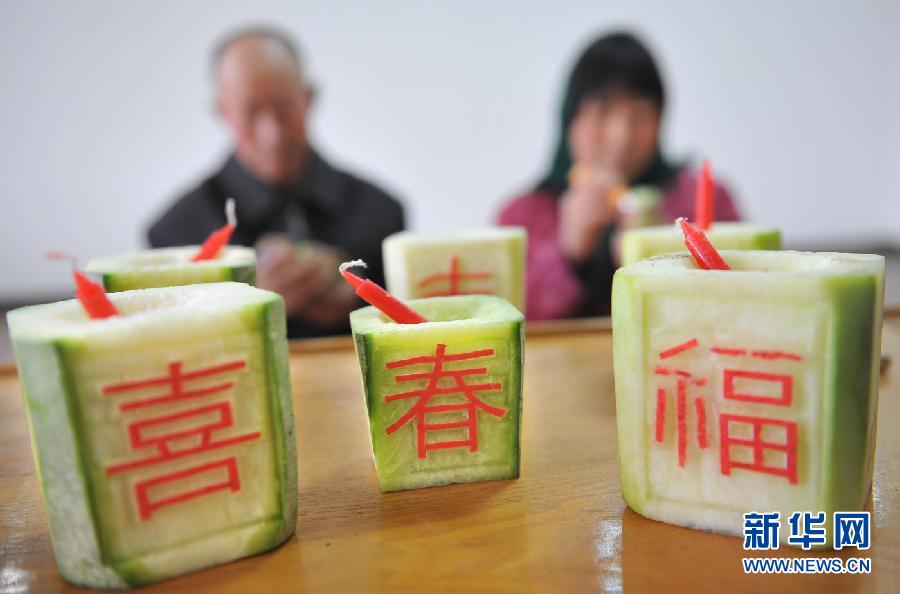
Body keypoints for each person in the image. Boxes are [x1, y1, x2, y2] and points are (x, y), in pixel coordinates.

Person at [148, 27, 405, 337]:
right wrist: (246, 305)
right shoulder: (177, 233)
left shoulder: (380, 212)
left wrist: (357, 301)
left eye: (284, 107)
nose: (272, 133)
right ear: (223, 112)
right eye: (251, 111)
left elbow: (407, 336)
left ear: (308, 98)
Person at [497, 31, 740, 320]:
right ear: (569, 119)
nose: (621, 136)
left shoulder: (706, 199)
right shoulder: (521, 216)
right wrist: (567, 251)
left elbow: (740, 302)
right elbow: (503, 321)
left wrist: (661, 254)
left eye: (639, 116)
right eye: (602, 112)